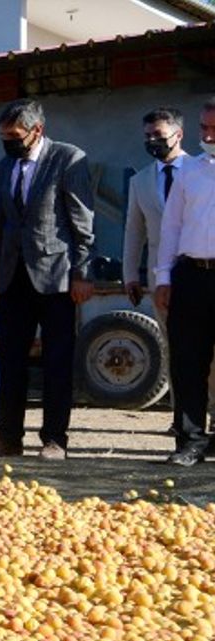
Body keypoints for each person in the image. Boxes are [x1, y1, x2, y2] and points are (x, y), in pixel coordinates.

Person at [0, 98, 95, 461]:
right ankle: (9, 436)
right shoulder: (4, 166)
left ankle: (55, 438)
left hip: (57, 279)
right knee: (11, 361)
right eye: (4, 137)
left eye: (15, 136)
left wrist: (82, 273)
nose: (8, 143)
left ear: (37, 130)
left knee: (57, 361)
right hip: (13, 278)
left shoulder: (67, 159)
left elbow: (82, 222)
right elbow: (2, 225)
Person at [123, 107, 209, 421]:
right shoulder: (140, 181)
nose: (152, 141)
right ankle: (181, 417)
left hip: (202, 271)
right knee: (176, 348)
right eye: (147, 136)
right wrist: (130, 275)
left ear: (178, 134)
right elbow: (134, 231)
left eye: (158, 135)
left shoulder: (203, 170)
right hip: (163, 278)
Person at [152, 97, 215, 467]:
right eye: (203, 128)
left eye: (213, 129)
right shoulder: (189, 171)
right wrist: (163, 277)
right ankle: (190, 442)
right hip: (191, 275)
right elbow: (171, 226)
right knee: (188, 361)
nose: (206, 136)